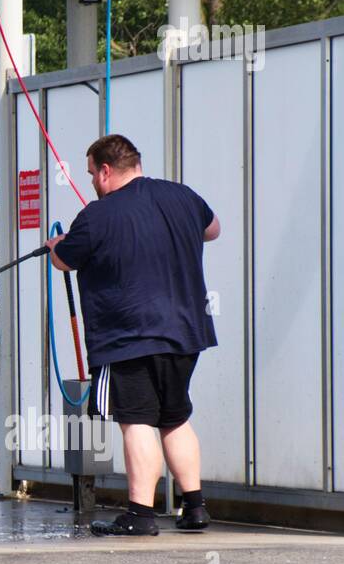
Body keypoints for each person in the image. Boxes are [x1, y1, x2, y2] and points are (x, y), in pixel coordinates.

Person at [45, 134, 220, 536]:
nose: (91, 181)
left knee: (137, 421)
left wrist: (57, 244)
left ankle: (141, 515)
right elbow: (213, 229)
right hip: (185, 331)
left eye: (91, 174)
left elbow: (63, 260)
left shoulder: (97, 215)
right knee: (175, 417)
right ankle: (195, 508)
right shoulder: (183, 197)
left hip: (128, 338)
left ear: (106, 170)